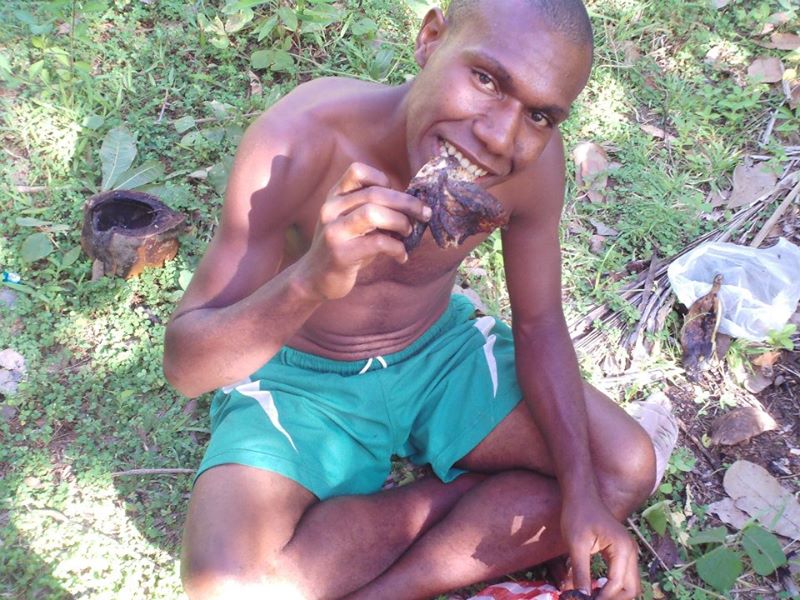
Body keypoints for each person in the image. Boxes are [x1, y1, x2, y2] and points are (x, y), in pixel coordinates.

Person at [163, 1, 656, 598]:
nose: (499, 136)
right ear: (430, 38)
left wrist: (579, 493)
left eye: (540, 115)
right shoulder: (299, 138)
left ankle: (393, 588)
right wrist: (312, 278)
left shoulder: (530, 164)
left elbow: (538, 323)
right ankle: (473, 502)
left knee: (621, 469)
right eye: (486, 79)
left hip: (439, 355)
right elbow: (187, 368)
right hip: (298, 381)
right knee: (226, 584)